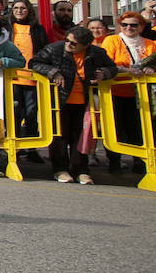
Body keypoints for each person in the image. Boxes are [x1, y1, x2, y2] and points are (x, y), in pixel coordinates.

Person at [31, 26, 117, 184]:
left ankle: (81, 170)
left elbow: (112, 67)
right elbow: (34, 63)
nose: (68, 44)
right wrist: (52, 72)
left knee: (81, 137)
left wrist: (104, 73)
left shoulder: (96, 53)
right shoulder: (54, 49)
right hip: (60, 100)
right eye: (67, 40)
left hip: (84, 102)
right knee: (60, 136)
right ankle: (60, 169)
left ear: (85, 46)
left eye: (73, 43)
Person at [100, 12, 155, 174]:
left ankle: (141, 161)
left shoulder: (151, 44)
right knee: (115, 127)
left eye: (133, 25)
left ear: (141, 27)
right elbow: (107, 63)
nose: (128, 28)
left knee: (140, 129)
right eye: (124, 25)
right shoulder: (112, 40)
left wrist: (151, 68)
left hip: (142, 95)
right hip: (115, 92)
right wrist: (127, 70)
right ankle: (114, 161)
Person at [6, 0, 49, 149]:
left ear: (29, 10)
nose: (19, 10)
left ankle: (31, 148)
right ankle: (14, 147)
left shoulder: (37, 29)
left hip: (32, 77)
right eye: (16, 8)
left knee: (31, 113)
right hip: (13, 77)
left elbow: (44, 50)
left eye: (23, 8)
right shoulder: (8, 28)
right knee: (15, 113)